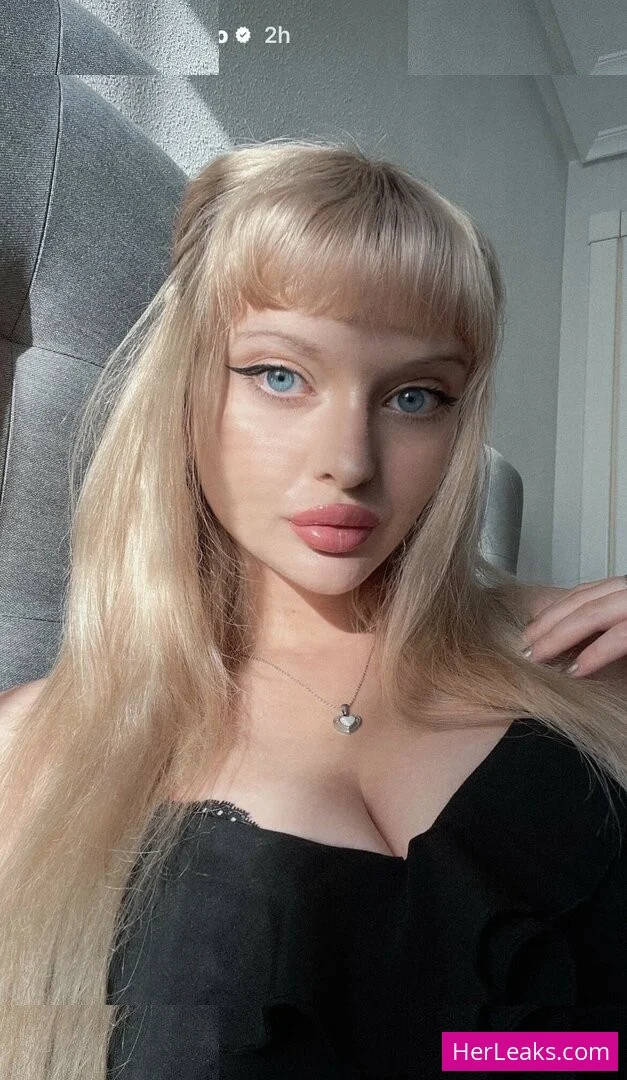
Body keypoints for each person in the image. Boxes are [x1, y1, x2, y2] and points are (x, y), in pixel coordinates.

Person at [0, 138, 625, 1080]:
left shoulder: (576, 655)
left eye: (414, 396)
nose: (350, 461)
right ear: (183, 387)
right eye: (279, 375)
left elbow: (533, 1051)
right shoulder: (31, 756)